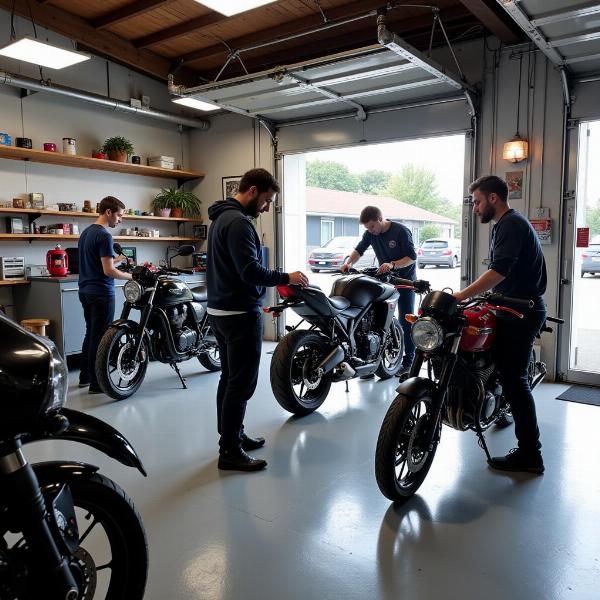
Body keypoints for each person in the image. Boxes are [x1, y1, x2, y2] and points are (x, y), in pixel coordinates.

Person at [207, 168, 309, 472]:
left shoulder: (220, 218)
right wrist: (286, 276)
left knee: (229, 379)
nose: (266, 207)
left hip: (220, 311)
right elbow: (249, 271)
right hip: (239, 314)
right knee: (241, 384)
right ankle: (230, 451)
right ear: (252, 190)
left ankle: (232, 435)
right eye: (266, 200)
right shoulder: (238, 223)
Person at [453, 175, 547, 474]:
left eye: (477, 201)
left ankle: (531, 454)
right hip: (506, 305)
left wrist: (462, 294)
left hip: (522, 311)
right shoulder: (505, 225)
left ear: (493, 198)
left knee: (514, 380)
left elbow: (499, 270)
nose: (475, 208)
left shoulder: (511, 225)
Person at [341, 206, 417, 375]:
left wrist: (392, 264)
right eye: (367, 228)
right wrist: (349, 263)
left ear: (380, 219)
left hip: (404, 281)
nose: (371, 231)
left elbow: (412, 257)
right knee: (376, 320)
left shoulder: (401, 231)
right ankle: (371, 362)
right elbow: (359, 250)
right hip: (384, 281)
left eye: (372, 227)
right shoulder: (370, 234)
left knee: (405, 321)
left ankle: (409, 361)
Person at [78, 195, 132, 394]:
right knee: (100, 338)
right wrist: (130, 276)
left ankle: (85, 377)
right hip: (101, 292)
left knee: (90, 334)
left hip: (85, 291)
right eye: (119, 215)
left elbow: (100, 263)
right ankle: (96, 384)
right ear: (108, 212)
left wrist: (116, 259)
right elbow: (108, 272)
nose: (120, 219)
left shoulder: (86, 233)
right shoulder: (104, 235)